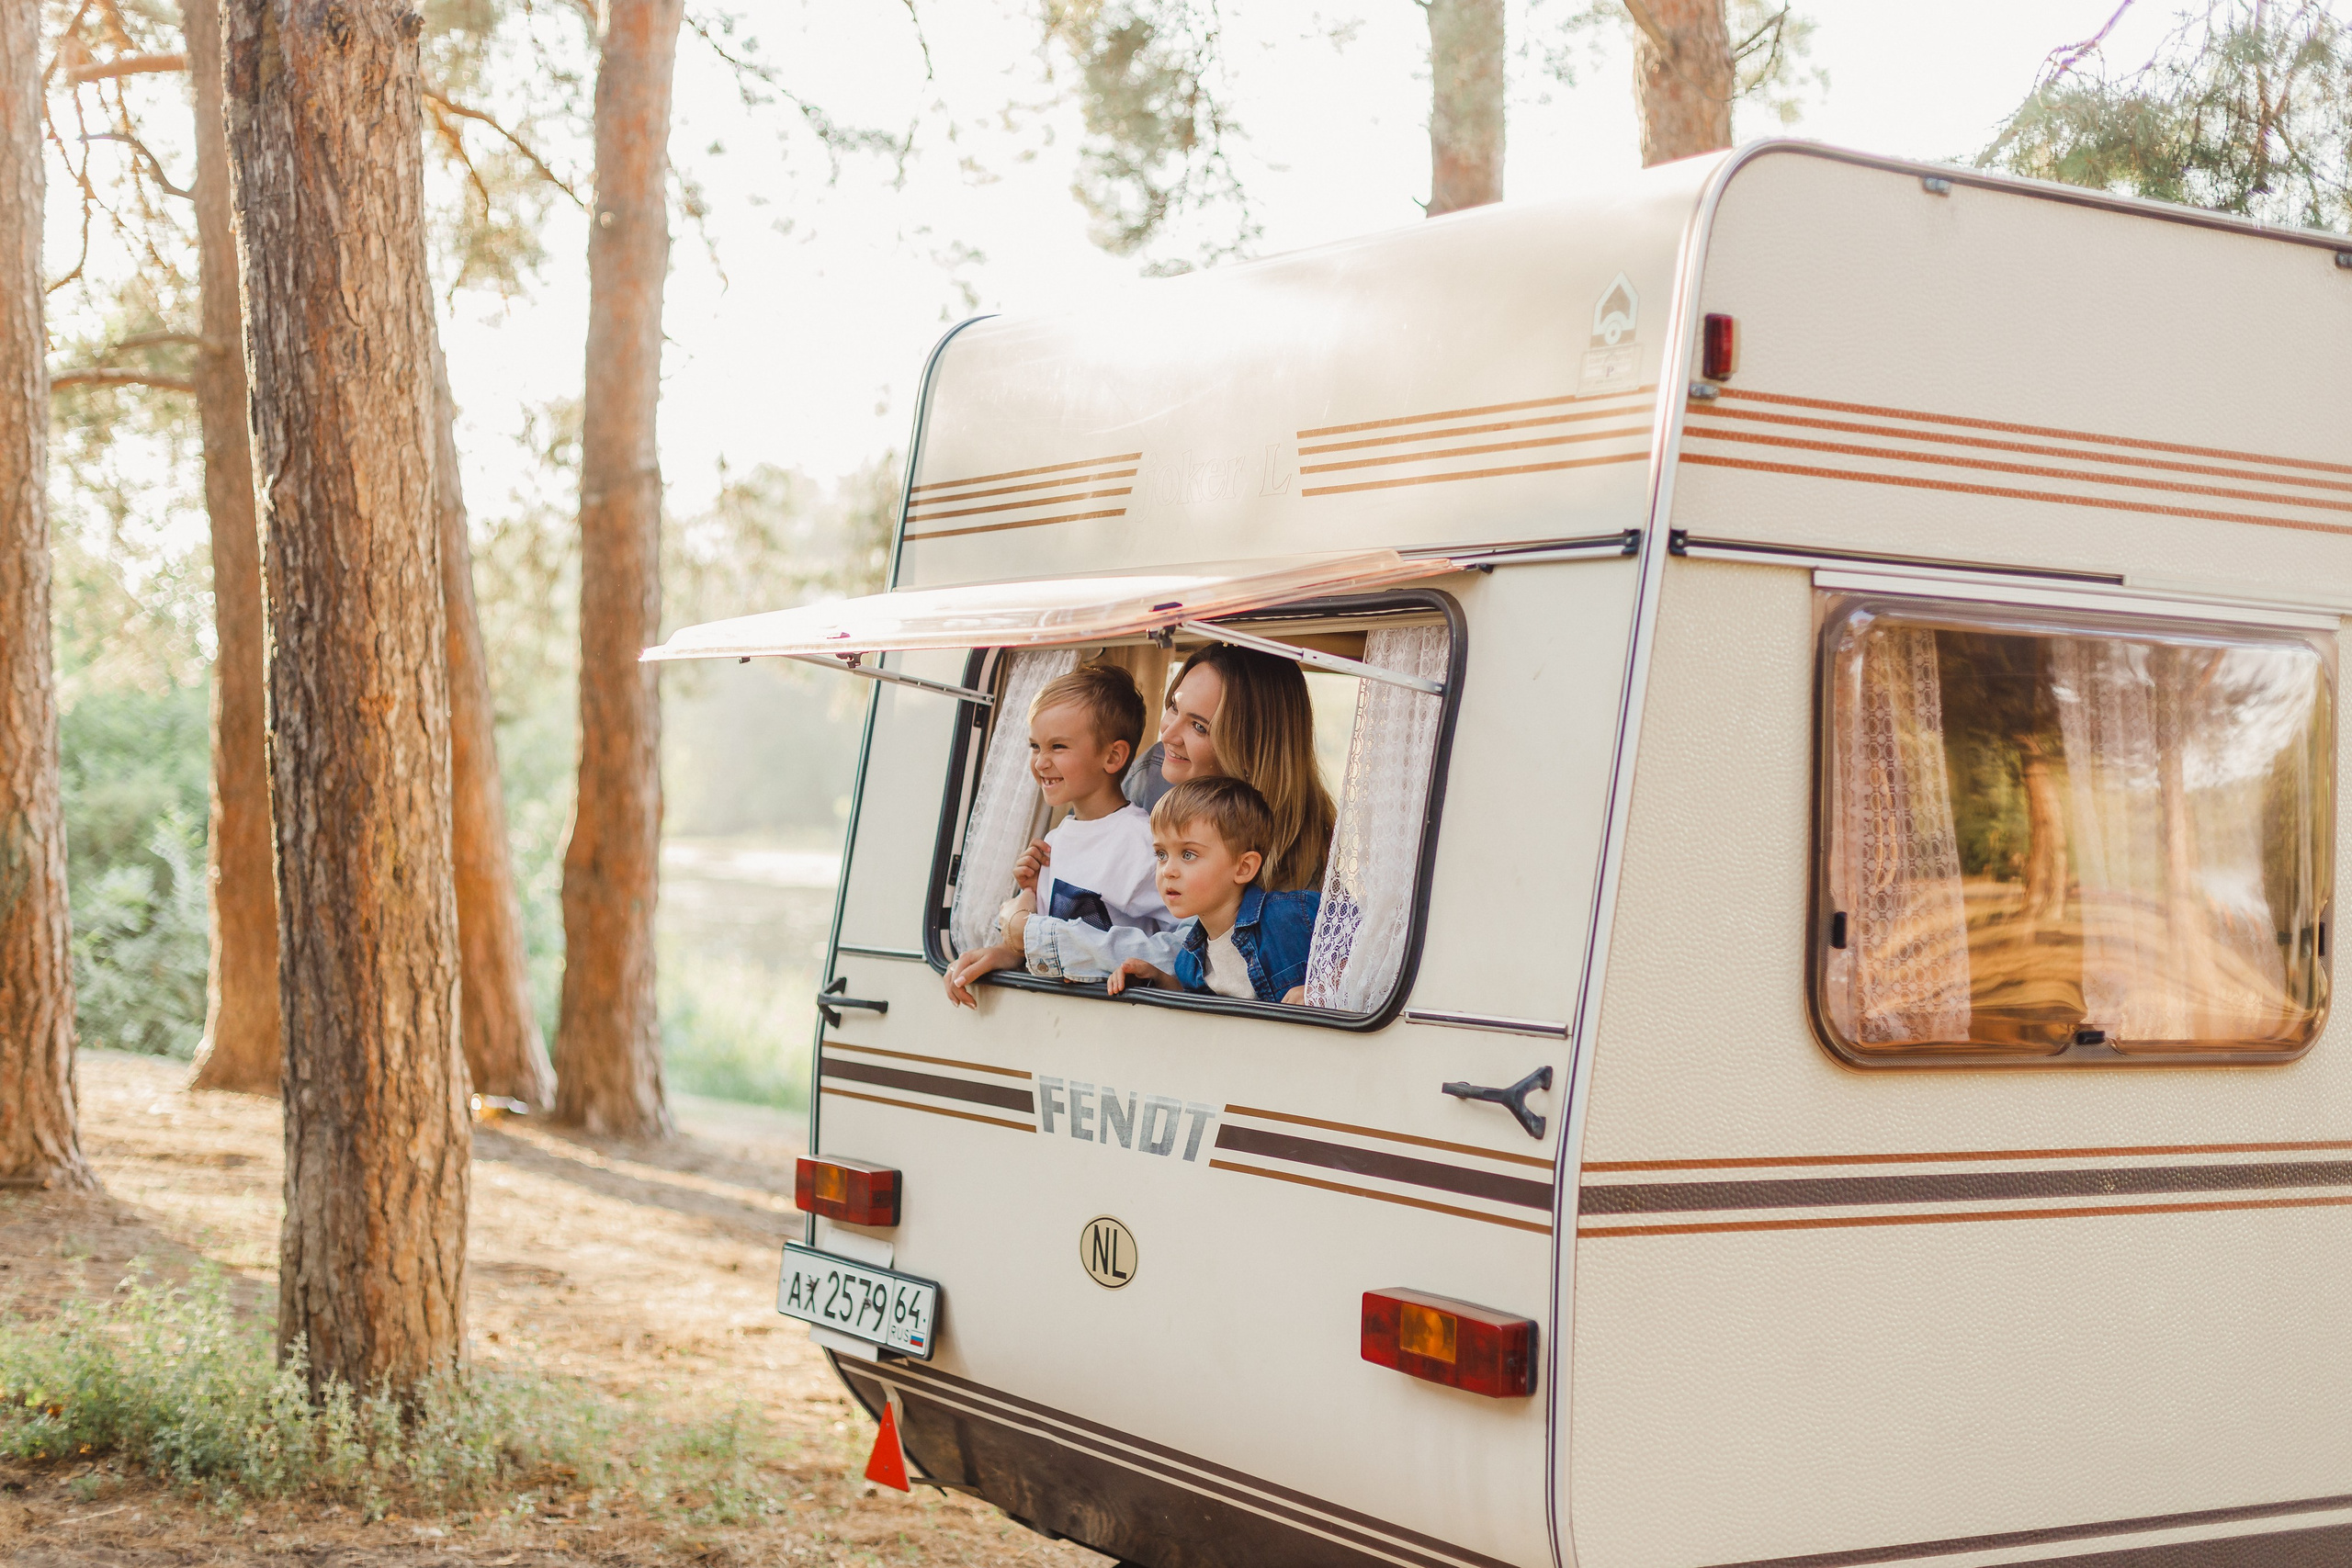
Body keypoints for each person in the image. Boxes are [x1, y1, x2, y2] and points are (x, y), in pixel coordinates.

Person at [944, 664, 1170, 1008]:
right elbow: (1046, 933)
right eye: (1035, 746)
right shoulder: (1056, 840)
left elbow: (1185, 944)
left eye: (1058, 747)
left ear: (1113, 757)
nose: (1040, 762)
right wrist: (1005, 951)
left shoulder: (1142, 842)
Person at [1106, 777, 1319, 1006]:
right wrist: (1158, 979)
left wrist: (1323, 989)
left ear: (1243, 868)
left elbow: (1362, 946)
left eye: (1188, 854)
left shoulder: (1296, 914)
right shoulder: (1189, 961)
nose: (1168, 871)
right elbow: (1201, 1004)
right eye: (1161, 855)